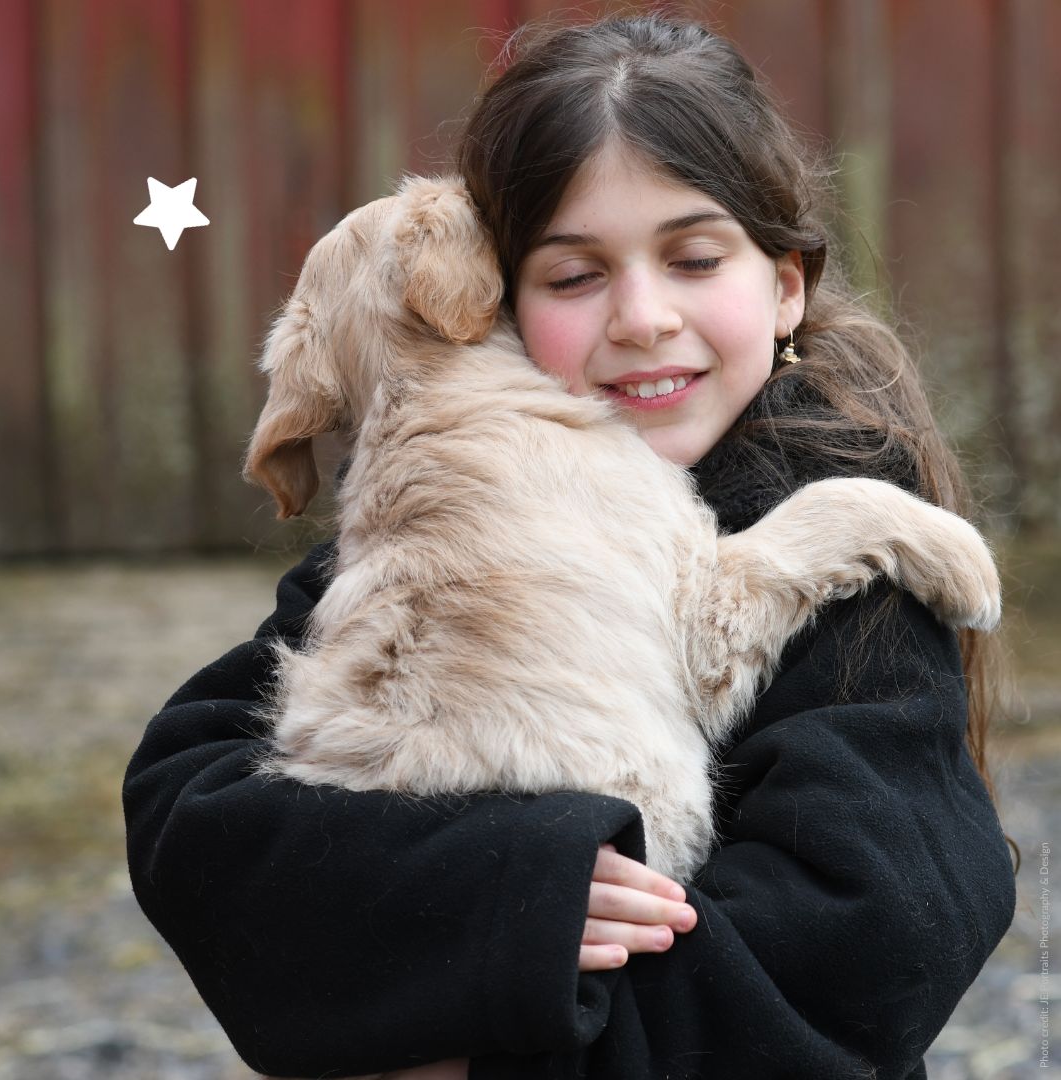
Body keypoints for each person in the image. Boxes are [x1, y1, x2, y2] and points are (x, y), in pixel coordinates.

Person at [123, 13, 1016, 1080]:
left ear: (784, 286)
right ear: (490, 305)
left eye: (692, 257)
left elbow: (874, 938)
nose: (641, 317)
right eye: (572, 276)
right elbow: (193, 812)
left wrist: (470, 1056)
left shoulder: (853, 558)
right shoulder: (436, 542)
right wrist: (498, 889)